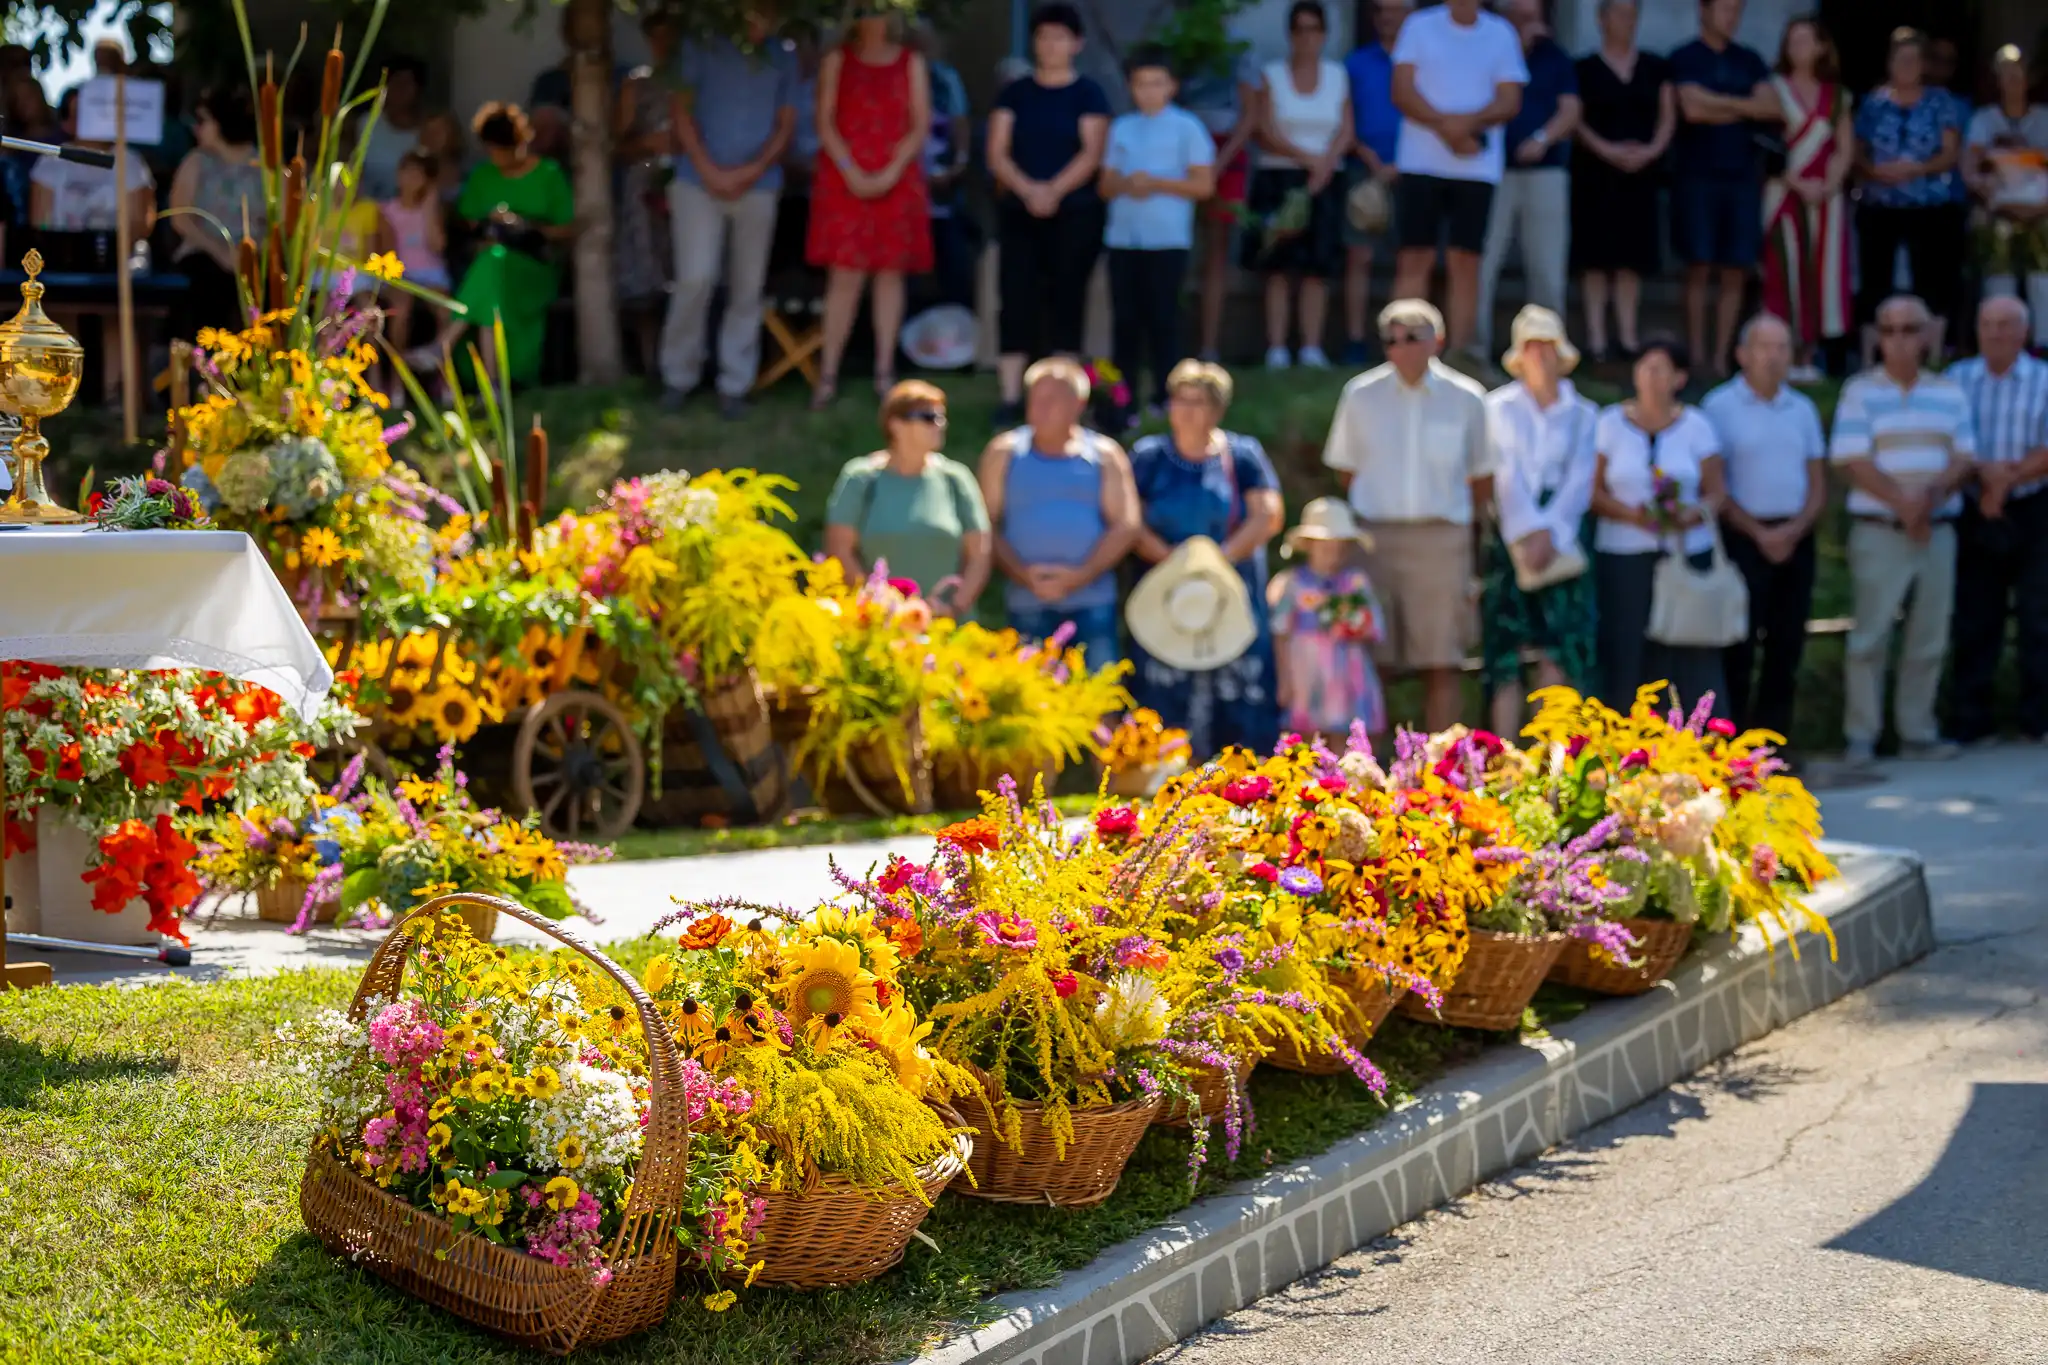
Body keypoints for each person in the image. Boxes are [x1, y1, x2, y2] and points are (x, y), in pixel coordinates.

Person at [1321, 298, 1493, 732]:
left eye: (1412, 337)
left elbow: (1481, 478)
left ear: (1438, 341)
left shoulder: (1467, 398)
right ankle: (1366, 763)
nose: (1400, 347)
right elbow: (1345, 470)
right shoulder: (1360, 394)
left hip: (1442, 540)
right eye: (1391, 339)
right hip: (1375, 539)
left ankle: (1442, 763)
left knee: (1443, 660)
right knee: (1370, 657)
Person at [1830, 294, 1977, 767]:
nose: (1899, 340)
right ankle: (1862, 736)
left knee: (1929, 637)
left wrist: (1927, 500)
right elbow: (1852, 459)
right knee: (1869, 638)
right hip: (1880, 530)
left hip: (1937, 529)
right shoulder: (1859, 391)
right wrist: (1905, 503)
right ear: (1877, 337)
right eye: (1889, 330)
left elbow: (1965, 457)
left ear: (1928, 334)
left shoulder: (1949, 392)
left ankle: (1918, 732)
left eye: (1910, 329)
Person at [1127, 360, 1283, 756]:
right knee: (1164, 707)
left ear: (1217, 409)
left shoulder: (1243, 455)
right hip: (1165, 595)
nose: (1185, 410)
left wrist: (1214, 562)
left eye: (1197, 401)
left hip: (1231, 591)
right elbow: (1129, 521)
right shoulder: (1149, 457)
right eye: (1179, 399)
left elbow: (1267, 515)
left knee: (1239, 707)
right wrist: (1176, 564)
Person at [661, 8, 799, 420]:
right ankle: (678, 377)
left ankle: (734, 384)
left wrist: (752, 171)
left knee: (747, 287)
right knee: (695, 278)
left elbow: (785, 124)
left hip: (759, 185)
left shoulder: (784, 56)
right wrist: (708, 170)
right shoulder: (698, 47)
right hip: (696, 181)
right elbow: (681, 111)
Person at [1703, 314, 1827, 742]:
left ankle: (1774, 745)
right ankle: (1731, 748)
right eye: (1764, 347)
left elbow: (1817, 482)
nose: (1773, 357)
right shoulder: (1719, 406)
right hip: (1741, 538)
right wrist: (1758, 533)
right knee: (1737, 648)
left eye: (1782, 348)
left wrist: (1794, 530)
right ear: (1741, 354)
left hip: (1796, 538)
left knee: (1786, 646)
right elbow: (1714, 483)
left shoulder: (1802, 409)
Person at [1590, 336, 1729, 714]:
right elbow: (1593, 492)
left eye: (1661, 369)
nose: (1651, 377)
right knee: (1626, 652)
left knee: (1689, 654)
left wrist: (1688, 514)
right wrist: (1631, 514)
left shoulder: (1697, 426)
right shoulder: (1609, 423)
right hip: (1623, 558)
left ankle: (1695, 734)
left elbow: (1717, 492)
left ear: (1679, 378)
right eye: (1645, 368)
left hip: (1687, 556)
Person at [987, 4, 1112, 423]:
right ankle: (1010, 398)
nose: (1051, 45)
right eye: (1043, 36)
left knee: (1068, 299)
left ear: (1077, 44)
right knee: (1015, 298)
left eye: (1060, 37)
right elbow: (997, 152)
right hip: (1018, 212)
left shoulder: (1089, 94)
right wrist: (1028, 190)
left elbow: (1092, 152)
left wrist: (1054, 190)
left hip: (1075, 213)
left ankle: (1065, 399)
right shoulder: (1015, 93)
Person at [1482, 305, 1600, 736]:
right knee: (1506, 647)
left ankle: (1551, 756)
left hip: (1565, 534)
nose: (1540, 355)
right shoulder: (1496, 408)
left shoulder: (1585, 412)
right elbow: (1504, 473)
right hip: (1509, 531)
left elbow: (1581, 478)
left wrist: (1552, 534)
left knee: (1560, 646)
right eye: (1531, 346)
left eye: (1547, 346)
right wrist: (1526, 532)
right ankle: (1502, 753)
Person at [1387, 0, 1527, 360]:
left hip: (1476, 168)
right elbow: (1402, 90)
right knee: (1414, 257)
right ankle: (1403, 352)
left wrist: (1465, 126)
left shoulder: (1501, 33)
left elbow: (1510, 99)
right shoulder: (1418, 26)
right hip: (1420, 163)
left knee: (1466, 261)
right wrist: (1446, 127)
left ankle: (1461, 356)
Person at [977, 356, 1138, 664]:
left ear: (1078, 404)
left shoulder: (1105, 455)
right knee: (1029, 691)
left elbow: (1126, 525)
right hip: (1026, 600)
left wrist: (1081, 576)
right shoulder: (1003, 452)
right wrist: (1023, 575)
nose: (1039, 407)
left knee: (1100, 690)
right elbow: (985, 525)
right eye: (1035, 398)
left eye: (1051, 399)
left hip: (1093, 601)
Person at [808, 13, 933, 407]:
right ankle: (828, 374)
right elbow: (825, 121)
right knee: (845, 275)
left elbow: (919, 124)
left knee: (890, 274)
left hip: (896, 177)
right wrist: (850, 170)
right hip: (844, 177)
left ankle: (884, 373)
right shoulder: (838, 59)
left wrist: (891, 170)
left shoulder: (911, 61)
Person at [1946, 296, 2048, 745]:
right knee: (1975, 615)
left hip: (2034, 505)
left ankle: (2037, 720)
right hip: (1973, 508)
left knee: (2039, 616)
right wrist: (1985, 481)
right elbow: (1949, 443)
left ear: (2024, 332)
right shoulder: (1956, 379)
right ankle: (1972, 720)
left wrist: (2005, 482)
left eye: (2006, 324)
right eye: (1987, 323)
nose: (1996, 332)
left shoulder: (2044, 379)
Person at [1101, 47, 1214, 422]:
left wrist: (1156, 183)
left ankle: (1168, 397)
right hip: (1124, 238)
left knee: (1164, 320)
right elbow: (1105, 183)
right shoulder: (1122, 127)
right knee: (1125, 322)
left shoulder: (1187, 127)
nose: (1148, 91)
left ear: (1172, 86)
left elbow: (1203, 184)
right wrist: (1126, 183)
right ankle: (1123, 401)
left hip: (1168, 239)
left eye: (1156, 83)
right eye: (1141, 84)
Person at [430, 103, 574, 388]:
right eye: (492, 149)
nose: (497, 156)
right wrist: (490, 224)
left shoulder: (548, 174)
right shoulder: (482, 176)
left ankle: (442, 346)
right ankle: (492, 382)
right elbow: (468, 223)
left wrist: (525, 226)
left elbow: (567, 228)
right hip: (490, 262)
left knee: (491, 264)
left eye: (504, 149)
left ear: (521, 142)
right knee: (491, 263)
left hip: (534, 268)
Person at [1669, 0, 1777, 380]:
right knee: (1699, 266)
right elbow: (1692, 109)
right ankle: (1697, 357)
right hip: (1696, 175)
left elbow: (1770, 107)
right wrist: (1743, 105)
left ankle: (1721, 358)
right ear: (1704, 10)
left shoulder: (1750, 60)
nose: (1732, 18)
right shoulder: (1685, 57)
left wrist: (1718, 104)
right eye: (1725, 9)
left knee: (1735, 269)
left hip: (1742, 176)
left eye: (1737, 10)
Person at [824, 380, 993, 618]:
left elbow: (979, 554)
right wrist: (877, 606)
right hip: (879, 626)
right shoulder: (861, 479)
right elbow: (839, 550)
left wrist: (954, 607)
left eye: (941, 417)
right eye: (928, 417)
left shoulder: (956, 478)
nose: (940, 424)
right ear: (896, 425)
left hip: (947, 626)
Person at [1246, 1, 1351, 371]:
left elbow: (1346, 129)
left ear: (1324, 35)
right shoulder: (1272, 74)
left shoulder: (1338, 75)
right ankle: (1276, 348)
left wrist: (1325, 164)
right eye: (1300, 29)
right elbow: (1265, 129)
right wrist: (1308, 159)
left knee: (1317, 268)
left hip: (1326, 180)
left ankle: (1311, 348)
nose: (1307, 38)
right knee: (1277, 265)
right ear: (1290, 34)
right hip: (1279, 176)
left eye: (1314, 29)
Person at [1473, 0, 1578, 360]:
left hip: (1545, 173)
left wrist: (1542, 139)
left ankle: (1549, 357)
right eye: (1518, 16)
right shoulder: (1486, 50)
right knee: (1481, 264)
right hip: (1490, 171)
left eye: (1531, 16)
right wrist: (1513, 47)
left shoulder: (1555, 57)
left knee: (1547, 268)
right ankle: (1473, 352)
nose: (1526, 22)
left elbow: (1571, 110)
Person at [1853, 29, 1965, 364]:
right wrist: (1874, 171)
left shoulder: (1940, 101)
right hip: (1879, 203)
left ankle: (1931, 355)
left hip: (1929, 203)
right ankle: (1870, 357)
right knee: (1875, 280)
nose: (1906, 66)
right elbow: (1856, 150)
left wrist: (1917, 169)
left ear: (1924, 65)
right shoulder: (1873, 103)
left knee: (1932, 280)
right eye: (1900, 59)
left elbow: (1951, 152)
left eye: (1914, 60)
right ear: (1889, 63)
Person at [1570, 0, 1671, 363]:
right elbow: (1575, 118)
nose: (1626, 22)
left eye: (1632, 15)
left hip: (1640, 174)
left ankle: (1628, 337)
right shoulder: (1583, 69)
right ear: (1601, 19)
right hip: (1595, 174)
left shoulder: (1655, 67)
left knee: (1632, 256)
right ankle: (1597, 339)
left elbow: (1667, 115)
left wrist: (1650, 151)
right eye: (1619, 14)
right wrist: (1607, 150)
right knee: (1596, 258)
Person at [1761, 15, 1851, 382]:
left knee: (1822, 275)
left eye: (1805, 40)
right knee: (1785, 271)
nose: (1797, 48)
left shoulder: (1838, 96)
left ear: (1821, 47)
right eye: (1792, 41)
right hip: (1784, 193)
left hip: (1825, 198)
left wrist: (1828, 185)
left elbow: (1844, 148)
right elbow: (1767, 144)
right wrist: (1797, 183)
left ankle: (1813, 354)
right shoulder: (1772, 89)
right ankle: (1783, 353)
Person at [1271, 497, 1386, 745]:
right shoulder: (1292, 583)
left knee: (1347, 738)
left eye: (1339, 547)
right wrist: (1284, 680)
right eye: (1325, 547)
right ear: (1309, 545)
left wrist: (1352, 626)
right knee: (1306, 740)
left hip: (1348, 674)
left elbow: (1374, 626)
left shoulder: (1355, 583)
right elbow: (1280, 632)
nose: (1333, 554)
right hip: (1306, 672)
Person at [1183, 49, 1263, 363]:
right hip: (1182, 148)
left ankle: (1209, 346)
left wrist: (1218, 163)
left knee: (1217, 253)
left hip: (1226, 151)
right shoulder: (1182, 43)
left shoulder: (1240, 51)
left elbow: (1250, 114)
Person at [1340, 0, 1409, 365]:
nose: (1388, 17)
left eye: (1396, 10)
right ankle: (1354, 340)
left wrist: (1401, 162)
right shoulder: (1356, 63)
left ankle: (1397, 342)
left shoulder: (1420, 61)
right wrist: (1369, 157)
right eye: (1382, 10)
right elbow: (1343, 116)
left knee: (1407, 259)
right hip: (1363, 168)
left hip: (1411, 169)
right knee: (1359, 256)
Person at [1965, 45, 2048, 346]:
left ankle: (2043, 345)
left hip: (2042, 213)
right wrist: (1986, 191)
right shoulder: (1983, 120)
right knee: (1998, 275)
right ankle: (1999, 343)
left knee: (2043, 277)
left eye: (2018, 73)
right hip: (1998, 212)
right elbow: (1971, 166)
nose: (2013, 79)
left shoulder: (2044, 119)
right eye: (2006, 74)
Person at [166, 87, 263, 337]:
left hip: (256, 260)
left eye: (202, 120)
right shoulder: (196, 162)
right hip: (204, 255)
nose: (196, 128)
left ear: (222, 121)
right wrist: (220, 252)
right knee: (207, 283)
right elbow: (180, 217)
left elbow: (282, 223)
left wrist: (245, 257)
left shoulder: (266, 166)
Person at [615, 12, 679, 377]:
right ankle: (650, 360)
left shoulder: (696, 80)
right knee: (645, 278)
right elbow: (617, 148)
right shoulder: (636, 84)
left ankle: (687, 359)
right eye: (656, 37)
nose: (664, 44)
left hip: (688, 182)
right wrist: (647, 143)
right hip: (644, 188)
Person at [30, 87, 154, 238]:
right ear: (66, 123)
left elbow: (140, 224)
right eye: (80, 114)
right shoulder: (51, 162)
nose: (91, 119)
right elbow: (41, 224)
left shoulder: (130, 161)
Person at [380, 150, 451, 359]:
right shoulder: (386, 211)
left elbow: (438, 246)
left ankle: (441, 368)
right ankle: (398, 369)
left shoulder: (433, 210)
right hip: (400, 275)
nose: (411, 179)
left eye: (418, 174)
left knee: (445, 310)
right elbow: (385, 252)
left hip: (431, 275)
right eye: (407, 172)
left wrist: (429, 207)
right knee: (401, 309)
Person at [358, 55, 429, 202]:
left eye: (407, 83)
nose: (400, 89)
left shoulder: (429, 130)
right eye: (395, 83)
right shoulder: (367, 124)